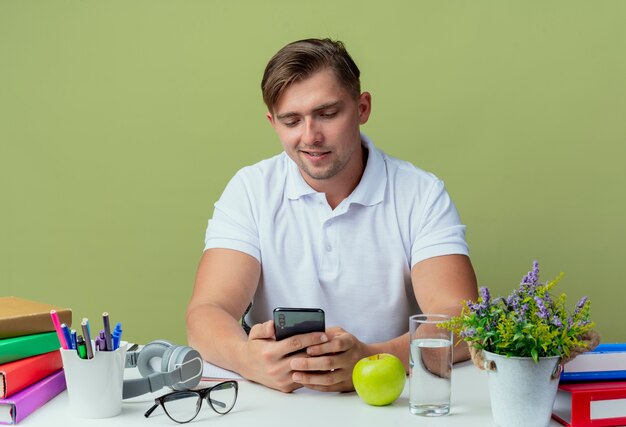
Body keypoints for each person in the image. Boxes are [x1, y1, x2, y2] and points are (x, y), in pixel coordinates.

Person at [186, 38, 478, 393]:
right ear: (273, 123)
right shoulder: (250, 189)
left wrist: (372, 357)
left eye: (327, 113)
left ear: (362, 107)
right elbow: (207, 311)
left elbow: (463, 320)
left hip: (389, 400)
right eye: (292, 120)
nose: (311, 136)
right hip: (276, 401)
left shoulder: (421, 193)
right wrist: (246, 358)